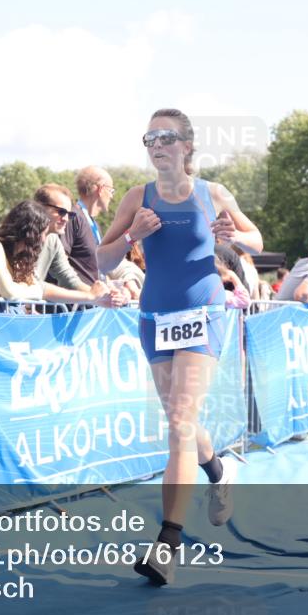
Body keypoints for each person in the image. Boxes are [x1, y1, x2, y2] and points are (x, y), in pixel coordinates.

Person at [96, 108, 263, 585]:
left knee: (179, 422)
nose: (157, 144)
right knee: (181, 422)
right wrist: (133, 234)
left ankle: (166, 545)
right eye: (150, 137)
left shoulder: (213, 193)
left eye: (167, 136)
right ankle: (217, 470)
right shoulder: (136, 197)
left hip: (203, 314)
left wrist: (236, 236)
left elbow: (256, 238)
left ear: (187, 146)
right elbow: (105, 262)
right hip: (155, 318)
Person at [0, 201, 121, 309]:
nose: (43, 239)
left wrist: (94, 298)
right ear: (30, 232)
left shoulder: (20, 257)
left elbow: (44, 289)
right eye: (43, 233)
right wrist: (35, 291)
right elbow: (10, 292)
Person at [74, 166, 115, 246]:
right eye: (111, 191)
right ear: (101, 189)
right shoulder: (73, 218)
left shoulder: (93, 223)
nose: (111, 196)